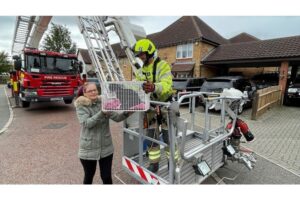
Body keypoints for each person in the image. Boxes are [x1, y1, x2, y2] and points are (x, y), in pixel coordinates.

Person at [132, 38, 180, 173]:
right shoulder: (142, 70)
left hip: (165, 105)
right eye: (139, 55)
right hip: (151, 107)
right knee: (151, 136)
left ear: (150, 52)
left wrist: (154, 87)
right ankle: (154, 164)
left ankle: (173, 162)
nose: (140, 57)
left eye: (142, 54)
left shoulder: (163, 65)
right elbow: (138, 85)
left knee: (168, 136)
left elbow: (167, 85)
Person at [74, 82, 132, 184]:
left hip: (106, 148)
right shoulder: (81, 106)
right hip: (88, 149)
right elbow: (87, 123)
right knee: (88, 176)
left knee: (106, 177)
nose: (93, 92)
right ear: (84, 93)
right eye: (90, 91)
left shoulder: (104, 103)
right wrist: (102, 113)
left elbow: (117, 118)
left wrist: (129, 111)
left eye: (95, 90)